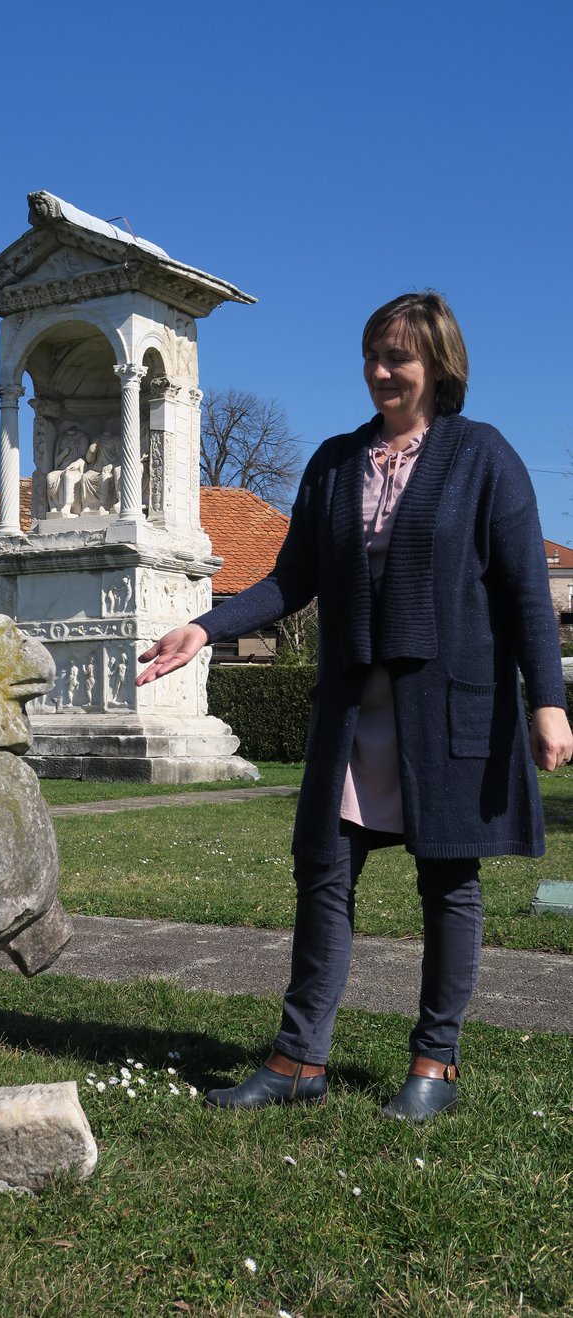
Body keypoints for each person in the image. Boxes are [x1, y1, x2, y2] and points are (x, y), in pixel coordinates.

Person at [136, 291, 572, 1122]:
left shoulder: (485, 458)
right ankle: (300, 1058)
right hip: (352, 714)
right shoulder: (337, 462)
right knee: (324, 877)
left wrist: (548, 702)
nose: (379, 373)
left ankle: (434, 1063)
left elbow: (524, 595)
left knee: (449, 887)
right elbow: (291, 577)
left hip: (449, 710)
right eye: (372, 357)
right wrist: (204, 626)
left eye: (397, 359)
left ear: (440, 366)